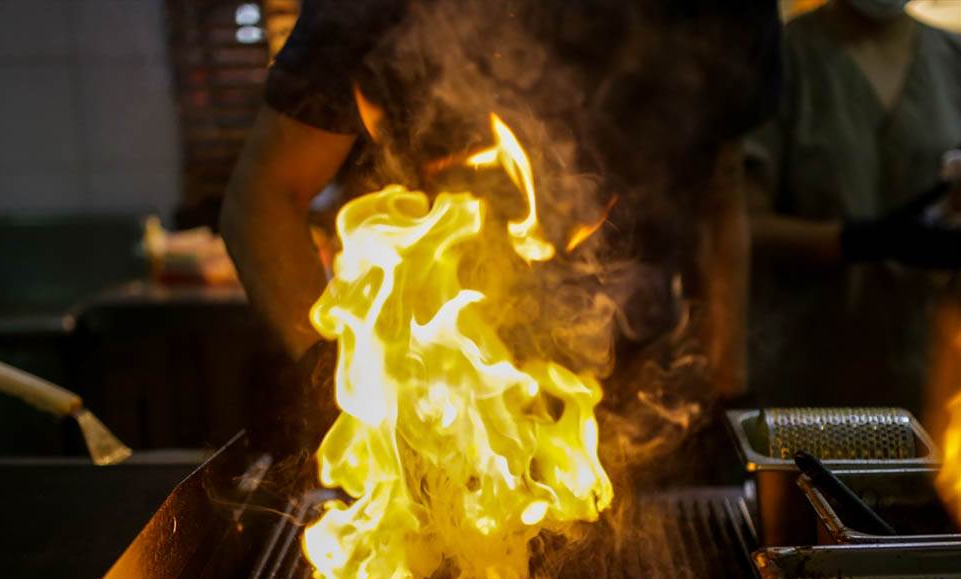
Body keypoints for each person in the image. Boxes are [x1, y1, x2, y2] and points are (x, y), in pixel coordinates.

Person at [222, 0, 782, 410]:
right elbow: (266, 195)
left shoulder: (727, 16)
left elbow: (720, 196)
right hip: (446, 384)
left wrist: (732, 393)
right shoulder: (378, 12)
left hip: (646, 385)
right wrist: (343, 386)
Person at [745, 0, 961, 412]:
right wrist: (861, 240)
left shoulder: (955, 62)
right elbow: (741, 227)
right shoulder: (781, 60)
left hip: (933, 381)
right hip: (809, 381)